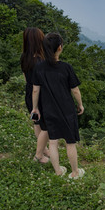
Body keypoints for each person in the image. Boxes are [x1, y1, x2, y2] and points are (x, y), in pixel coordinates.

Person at [31, 33, 85, 179]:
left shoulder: (39, 68)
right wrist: (80, 104)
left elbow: (35, 89)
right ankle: (74, 172)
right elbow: (75, 90)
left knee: (53, 142)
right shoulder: (66, 68)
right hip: (67, 110)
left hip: (49, 110)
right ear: (60, 48)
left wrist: (35, 108)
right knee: (70, 143)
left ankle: (58, 172)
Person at [20, 27, 50, 163]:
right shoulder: (41, 61)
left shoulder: (24, 57)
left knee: (37, 123)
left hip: (29, 94)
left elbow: (27, 79)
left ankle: (43, 149)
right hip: (40, 97)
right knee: (47, 126)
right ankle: (39, 156)